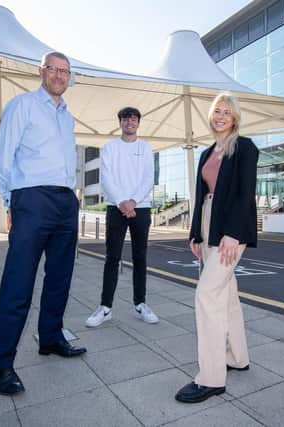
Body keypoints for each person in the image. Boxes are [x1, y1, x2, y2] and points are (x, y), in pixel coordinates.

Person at [0, 51, 86, 396]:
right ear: (41, 71)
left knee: (60, 278)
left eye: (65, 72)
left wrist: (72, 199)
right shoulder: (23, 105)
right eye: (54, 69)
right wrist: (11, 201)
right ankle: (0, 363)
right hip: (31, 198)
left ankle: (51, 338)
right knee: (18, 283)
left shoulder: (67, 117)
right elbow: (2, 155)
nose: (60, 76)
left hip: (64, 201)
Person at [175, 93, 259, 404]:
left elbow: (245, 193)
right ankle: (237, 357)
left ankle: (210, 378)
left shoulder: (244, 148)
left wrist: (234, 234)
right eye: (216, 111)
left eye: (226, 111)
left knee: (206, 294)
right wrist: (196, 233)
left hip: (230, 228)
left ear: (235, 117)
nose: (220, 116)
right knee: (226, 295)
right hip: (209, 224)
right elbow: (201, 195)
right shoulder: (207, 152)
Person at [85, 107, 158, 327]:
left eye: (134, 119)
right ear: (120, 123)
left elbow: (148, 178)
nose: (130, 123)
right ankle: (105, 308)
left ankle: (140, 304)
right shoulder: (109, 147)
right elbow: (106, 178)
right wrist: (122, 202)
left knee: (140, 257)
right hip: (116, 207)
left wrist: (133, 201)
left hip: (141, 207)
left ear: (138, 123)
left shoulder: (145, 148)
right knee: (112, 258)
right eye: (126, 120)